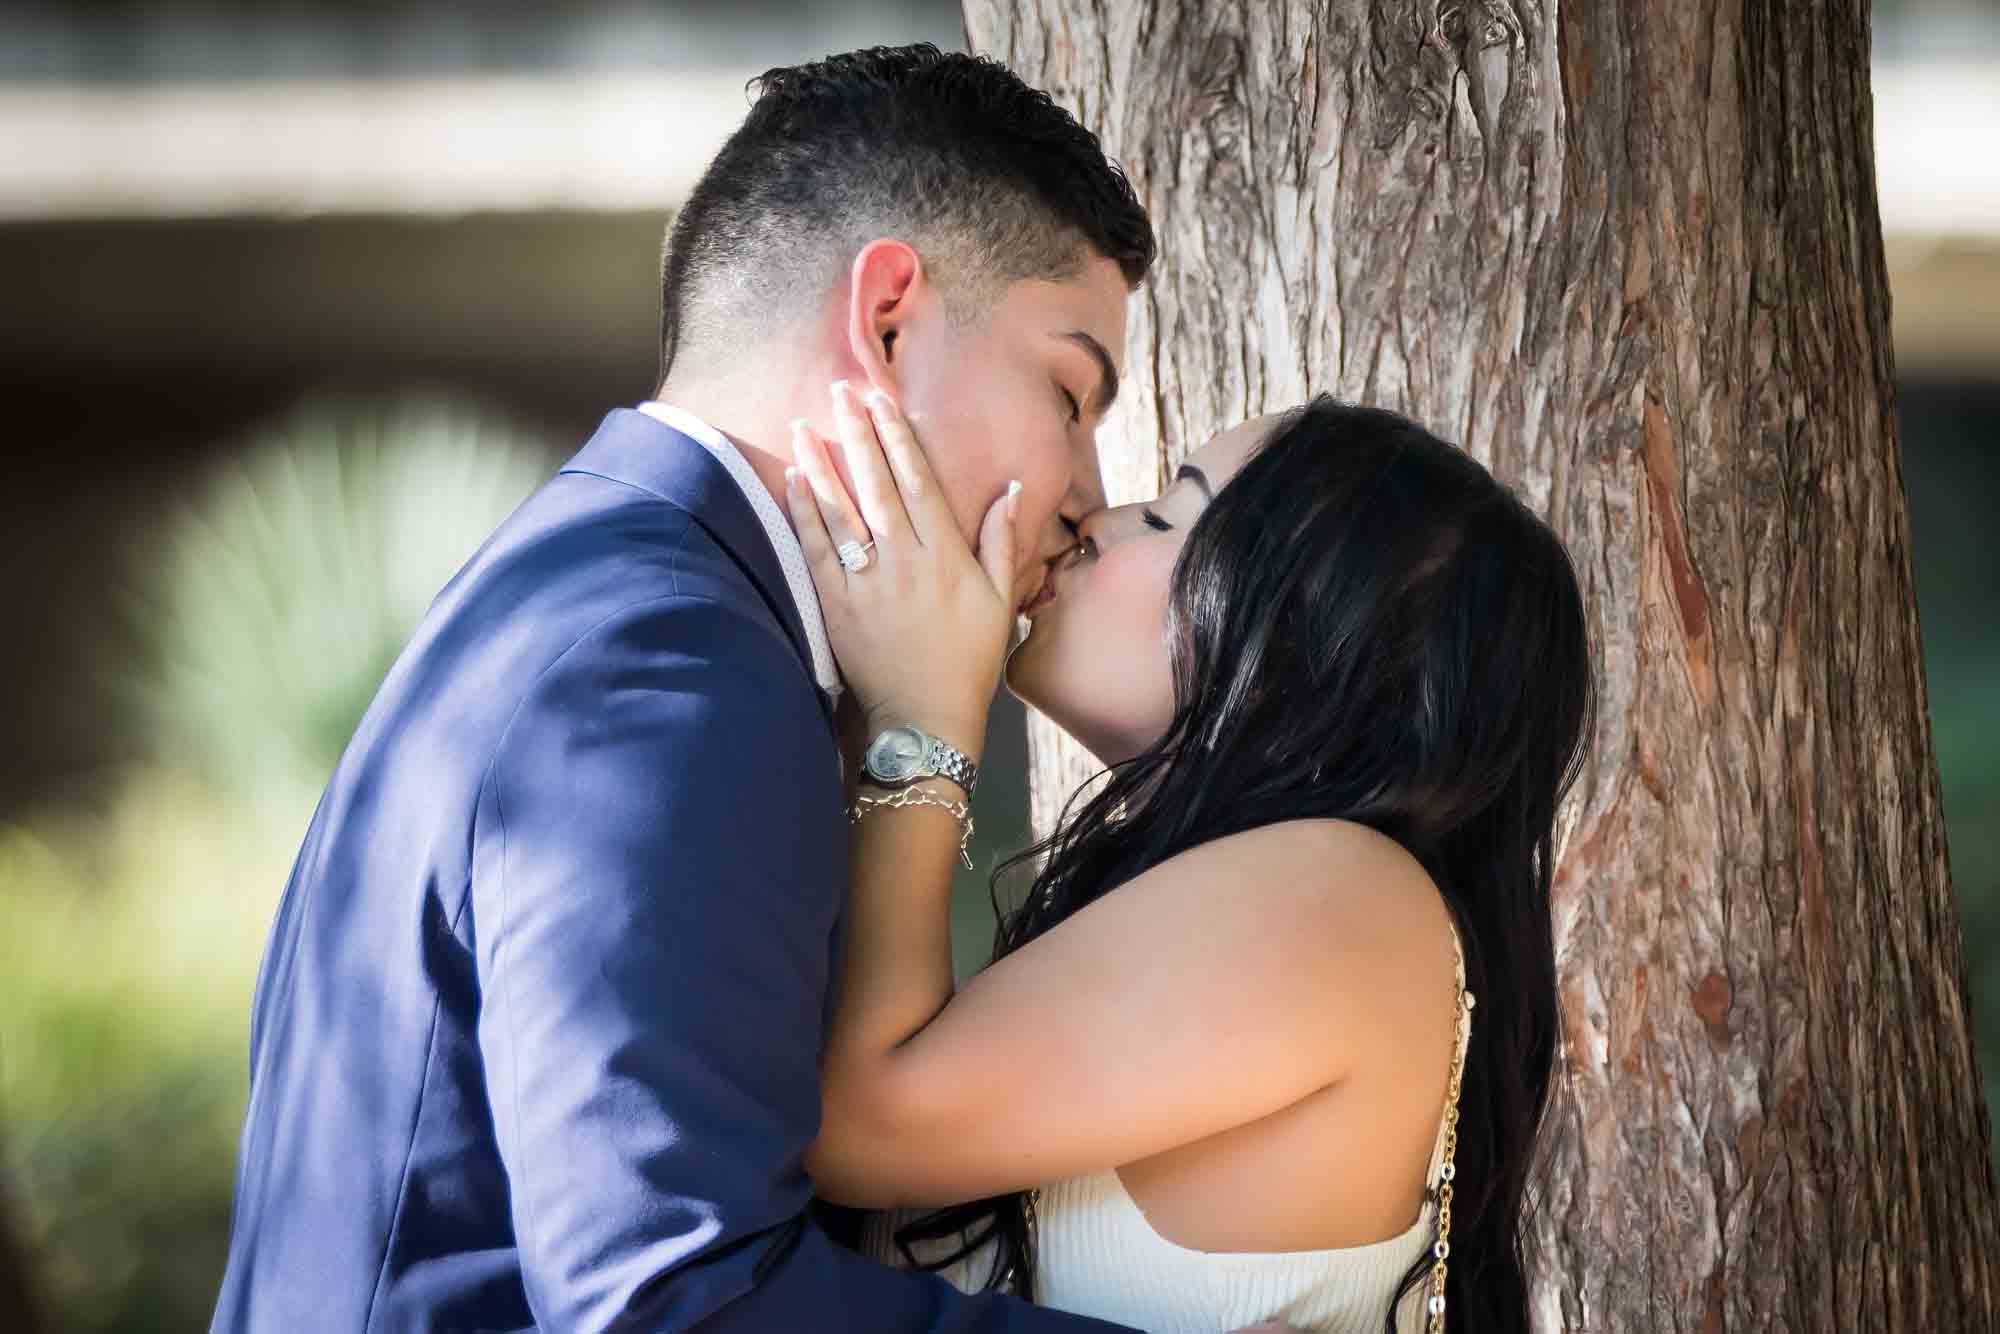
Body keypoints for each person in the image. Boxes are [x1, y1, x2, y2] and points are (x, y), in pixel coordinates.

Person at [209, 43, 1288, 1334]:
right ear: (887, 320)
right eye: (1068, 391)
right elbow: (673, 1303)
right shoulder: (667, 672)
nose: (1090, 497)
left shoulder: (587, 589)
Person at [782, 392, 1595, 1333]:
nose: (1097, 519)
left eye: (1169, 512)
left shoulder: (1338, 895)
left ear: (1300, 643)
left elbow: (858, 1121)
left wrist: (916, 722)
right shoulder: (1295, 904)